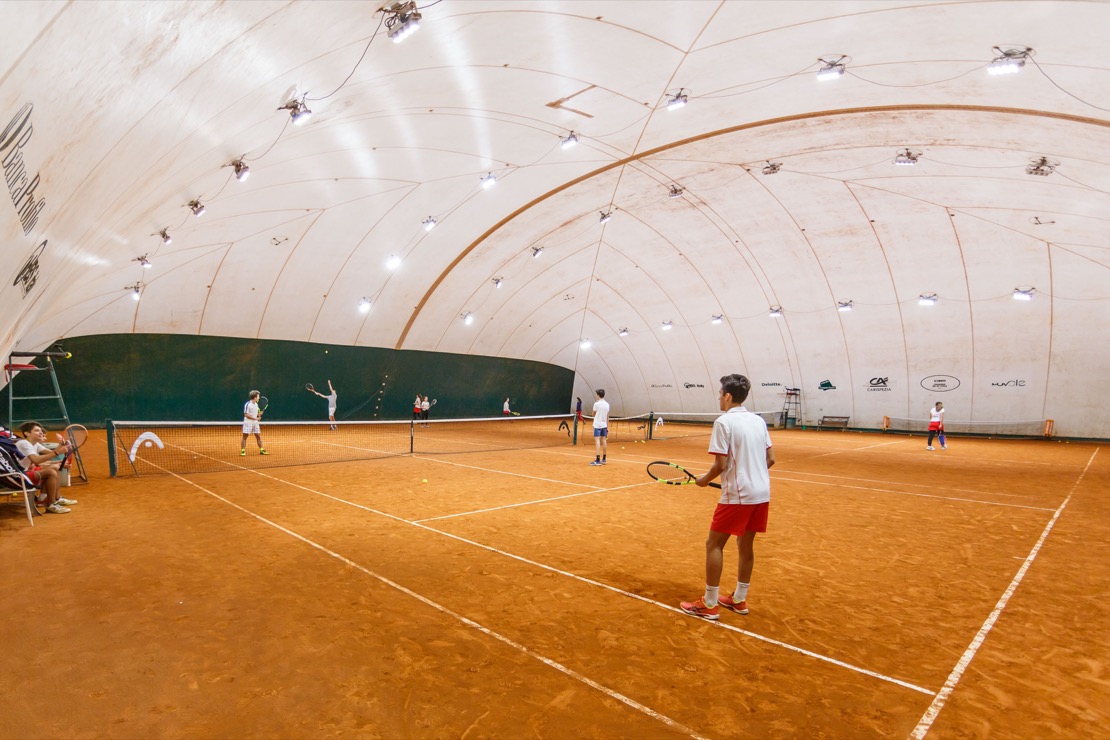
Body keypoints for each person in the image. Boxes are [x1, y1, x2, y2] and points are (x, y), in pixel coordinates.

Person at [680, 374, 775, 621]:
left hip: (738, 495)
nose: (719, 398)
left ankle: (710, 603)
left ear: (728, 396)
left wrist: (703, 480)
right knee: (746, 545)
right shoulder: (758, 421)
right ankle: (739, 599)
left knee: (714, 544)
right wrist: (751, 475)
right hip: (762, 493)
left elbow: (720, 464)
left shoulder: (723, 423)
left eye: (720, 393)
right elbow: (770, 460)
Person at [16, 421, 77, 513]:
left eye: (41, 430)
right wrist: (57, 453)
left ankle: (54, 498)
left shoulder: (35, 444)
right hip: (18, 476)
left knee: (55, 467)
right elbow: (36, 460)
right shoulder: (24, 443)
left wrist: (61, 444)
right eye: (37, 430)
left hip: (25, 472)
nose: (41, 432)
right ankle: (51, 504)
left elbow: (51, 453)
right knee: (51, 472)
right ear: (27, 433)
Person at [241, 390, 267, 456]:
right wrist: (256, 418)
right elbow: (246, 414)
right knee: (245, 436)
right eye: (258, 396)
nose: (259, 397)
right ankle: (243, 451)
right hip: (248, 422)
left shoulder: (256, 405)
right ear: (255, 397)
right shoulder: (248, 404)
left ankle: (261, 450)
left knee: (258, 436)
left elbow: (257, 414)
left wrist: (259, 415)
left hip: (255, 423)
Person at [589, 389, 609, 466]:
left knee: (597, 440)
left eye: (596, 394)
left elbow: (593, 414)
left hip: (597, 425)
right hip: (604, 425)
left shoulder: (596, 404)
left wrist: (593, 413)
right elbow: (607, 416)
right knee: (604, 440)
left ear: (598, 395)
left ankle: (597, 460)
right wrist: (607, 426)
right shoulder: (607, 404)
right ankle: (604, 459)